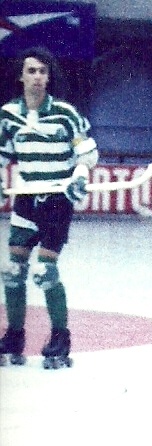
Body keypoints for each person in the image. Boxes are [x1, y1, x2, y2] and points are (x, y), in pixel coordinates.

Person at [0, 46, 97, 368]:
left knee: (44, 271)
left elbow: (87, 152)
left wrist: (79, 175)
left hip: (56, 201)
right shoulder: (8, 115)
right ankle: (14, 336)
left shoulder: (65, 113)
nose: (38, 77)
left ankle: (60, 337)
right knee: (13, 271)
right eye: (31, 71)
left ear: (49, 76)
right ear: (21, 76)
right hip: (26, 200)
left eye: (43, 71)